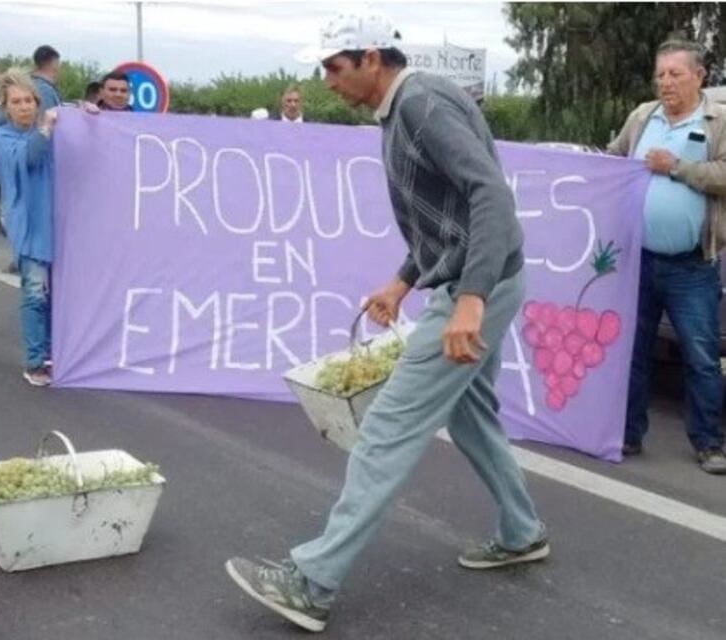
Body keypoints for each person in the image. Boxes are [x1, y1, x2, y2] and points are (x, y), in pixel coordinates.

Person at [224, 9, 547, 633]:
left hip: (479, 285)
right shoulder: (402, 109)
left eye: (334, 67)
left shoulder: (421, 105)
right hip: (480, 279)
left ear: (372, 59)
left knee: (387, 429)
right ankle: (522, 530)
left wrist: (471, 297)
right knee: (472, 413)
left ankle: (311, 581)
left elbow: (490, 198)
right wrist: (403, 282)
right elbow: (444, 213)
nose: (326, 81)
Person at [608, 39, 726, 475]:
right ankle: (627, 434)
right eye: (660, 75)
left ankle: (709, 443)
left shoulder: (717, 121)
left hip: (692, 266)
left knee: (700, 356)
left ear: (699, 76)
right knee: (634, 351)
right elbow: (614, 159)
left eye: (676, 74)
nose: (666, 83)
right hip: (639, 260)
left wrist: (676, 166)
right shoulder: (643, 116)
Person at [0, 70, 56, 386]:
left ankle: (56, 351)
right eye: (16, 102)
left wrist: (90, 113)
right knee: (35, 294)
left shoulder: (54, 130)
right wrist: (45, 130)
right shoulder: (2, 137)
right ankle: (35, 361)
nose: (24, 107)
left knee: (60, 295)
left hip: (59, 225)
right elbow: (30, 158)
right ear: (6, 107)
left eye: (29, 100)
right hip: (30, 227)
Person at [31, 45, 62, 111]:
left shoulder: (24, 84)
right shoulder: (46, 91)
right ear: (54, 65)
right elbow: (47, 119)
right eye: (58, 64)